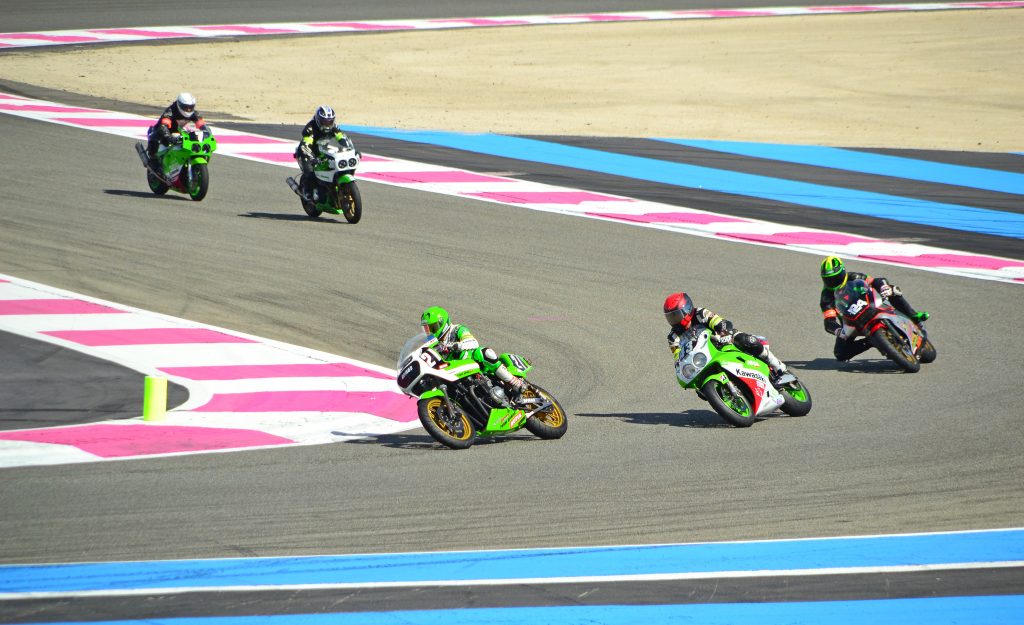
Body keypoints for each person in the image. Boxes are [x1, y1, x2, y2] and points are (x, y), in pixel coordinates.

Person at [663, 292, 796, 386]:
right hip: (703, 359)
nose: (674, 320)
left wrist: (724, 333)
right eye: (670, 317)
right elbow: (678, 357)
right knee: (698, 386)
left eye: (676, 315)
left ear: (687, 309)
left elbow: (720, 322)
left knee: (745, 340)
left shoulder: (700, 314)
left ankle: (780, 369)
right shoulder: (673, 337)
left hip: (722, 343)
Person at [818, 256, 930, 361]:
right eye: (828, 279)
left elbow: (877, 280)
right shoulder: (826, 297)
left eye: (836, 277)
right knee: (840, 353)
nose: (833, 282)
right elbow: (829, 322)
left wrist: (884, 287)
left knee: (892, 290)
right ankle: (873, 341)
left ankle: (913, 315)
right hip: (851, 321)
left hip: (870, 304)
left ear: (843, 272)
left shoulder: (854, 277)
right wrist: (838, 331)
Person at [420, 306, 526, 399]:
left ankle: (514, 382)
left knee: (484, 352)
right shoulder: (435, 345)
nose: (430, 332)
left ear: (442, 323)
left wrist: (456, 345)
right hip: (457, 374)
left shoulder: (457, 330)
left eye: (432, 328)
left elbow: (473, 342)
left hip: (475, 365)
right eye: (427, 329)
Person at [294, 105, 355, 200]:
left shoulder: (333, 127)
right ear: (318, 120)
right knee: (310, 171)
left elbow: (341, 138)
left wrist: (351, 150)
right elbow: (305, 145)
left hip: (322, 151)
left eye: (329, 122)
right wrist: (312, 158)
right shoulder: (310, 128)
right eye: (324, 122)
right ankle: (306, 191)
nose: (327, 125)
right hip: (306, 153)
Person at [146, 92, 207, 163]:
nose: (188, 110)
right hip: (164, 131)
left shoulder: (193, 113)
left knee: (194, 139)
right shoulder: (171, 111)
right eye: (186, 107)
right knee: (156, 139)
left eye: (191, 107)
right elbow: (163, 126)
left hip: (179, 131)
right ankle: (153, 161)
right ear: (179, 105)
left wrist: (206, 133)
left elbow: (201, 124)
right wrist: (169, 137)